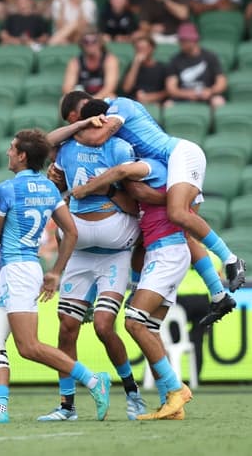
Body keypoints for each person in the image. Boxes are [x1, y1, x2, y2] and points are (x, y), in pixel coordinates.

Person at [50, 93, 242, 325]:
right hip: (163, 168)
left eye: (77, 118)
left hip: (180, 157)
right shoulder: (117, 141)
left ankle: (230, 259)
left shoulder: (119, 105)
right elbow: (51, 142)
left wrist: (89, 187)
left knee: (178, 215)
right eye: (72, 123)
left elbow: (99, 138)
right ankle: (218, 294)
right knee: (161, 235)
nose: (77, 125)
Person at [0, 129, 111, 424]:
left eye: (12, 148)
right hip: (23, 269)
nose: (8, 152)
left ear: (22, 156)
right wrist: (55, 271)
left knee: (29, 346)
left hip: (17, 269)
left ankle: (94, 380)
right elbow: (71, 231)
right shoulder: (49, 189)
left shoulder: (7, 189)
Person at [38, 126, 147, 422]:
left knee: (103, 325)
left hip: (115, 256)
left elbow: (136, 205)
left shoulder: (121, 150)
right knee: (66, 327)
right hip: (79, 255)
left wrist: (107, 189)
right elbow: (61, 203)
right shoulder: (65, 152)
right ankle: (67, 406)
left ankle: (132, 392)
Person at [71, 156, 194, 420]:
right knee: (148, 328)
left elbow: (140, 189)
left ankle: (175, 388)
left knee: (133, 322)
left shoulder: (154, 174)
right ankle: (170, 404)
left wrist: (101, 186)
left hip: (167, 254)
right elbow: (138, 237)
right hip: (157, 257)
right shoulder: (141, 195)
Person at [165, 22, 227, 108]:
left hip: (207, 96)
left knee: (218, 102)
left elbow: (221, 82)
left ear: (193, 40)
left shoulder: (210, 57)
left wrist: (210, 91)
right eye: (180, 40)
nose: (181, 43)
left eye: (184, 40)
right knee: (168, 105)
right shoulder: (175, 60)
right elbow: (171, 88)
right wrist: (187, 94)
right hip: (183, 97)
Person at [62, 28, 120, 99]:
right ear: (81, 44)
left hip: (102, 96)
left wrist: (94, 99)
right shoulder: (75, 62)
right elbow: (67, 88)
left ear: (100, 42)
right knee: (64, 99)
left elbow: (110, 87)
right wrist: (81, 100)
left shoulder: (109, 60)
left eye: (94, 41)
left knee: (111, 97)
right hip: (82, 98)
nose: (90, 44)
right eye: (86, 41)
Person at [121, 34, 168, 105]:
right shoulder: (132, 66)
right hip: (134, 103)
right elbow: (126, 88)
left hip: (155, 103)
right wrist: (136, 64)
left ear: (152, 48)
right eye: (138, 49)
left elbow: (167, 91)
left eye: (143, 48)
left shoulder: (161, 67)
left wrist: (150, 97)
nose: (141, 52)